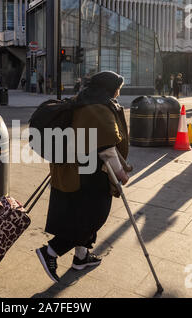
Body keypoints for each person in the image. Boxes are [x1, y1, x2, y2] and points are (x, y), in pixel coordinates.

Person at [36, 71, 130, 283]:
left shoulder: (83, 100)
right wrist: (120, 173)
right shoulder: (98, 108)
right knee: (91, 217)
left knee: (79, 215)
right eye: (118, 88)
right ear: (109, 88)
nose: (118, 92)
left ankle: (81, 257)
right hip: (87, 175)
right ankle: (50, 252)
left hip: (71, 170)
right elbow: (106, 148)